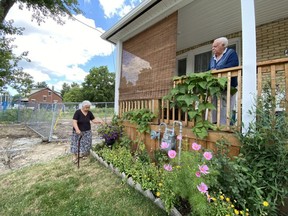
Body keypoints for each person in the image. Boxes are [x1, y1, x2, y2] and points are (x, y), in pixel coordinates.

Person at [208, 37, 239, 125]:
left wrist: (217, 69)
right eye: (212, 46)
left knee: (225, 108)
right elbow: (208, 70)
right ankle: (214, 124)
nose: (213, 48)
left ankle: (224, 126)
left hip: (229, 87)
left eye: (215, 46)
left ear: (223, 45)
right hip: (216, 88)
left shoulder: (231, 53)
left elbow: (233, 65)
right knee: (214, 108)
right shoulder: (212, 58)